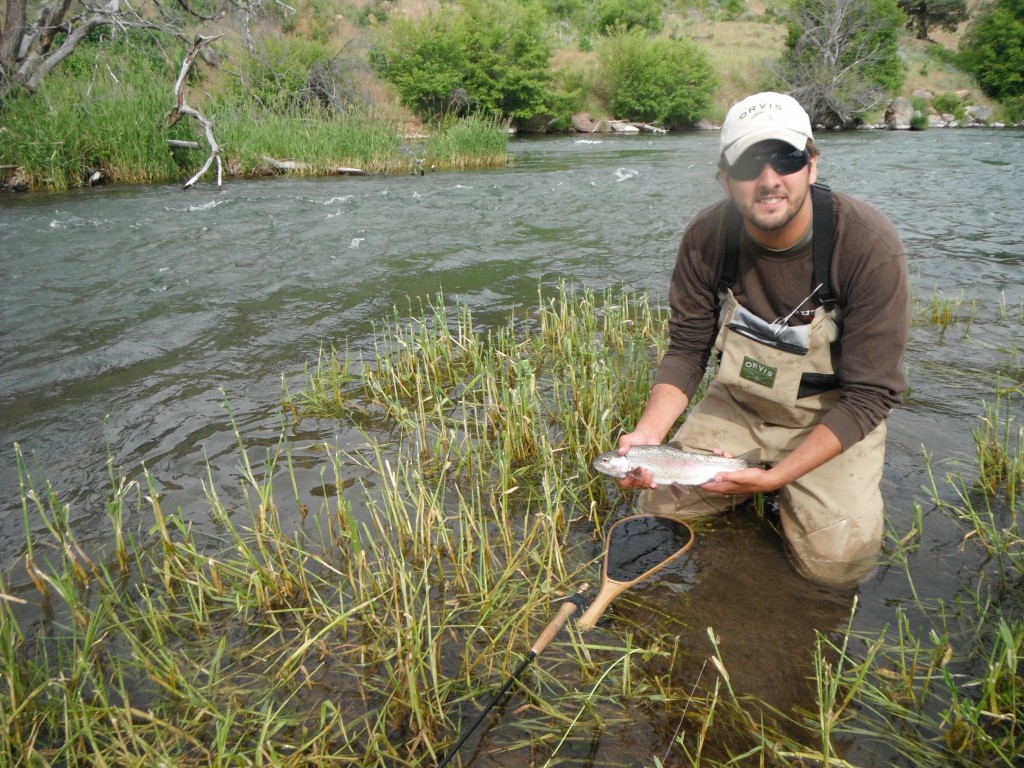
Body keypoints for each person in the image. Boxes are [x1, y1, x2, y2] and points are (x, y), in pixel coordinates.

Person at [617, 92, 910, 589]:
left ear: (812, 166)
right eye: (751, 162)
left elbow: (869, 397)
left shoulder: (867, 245)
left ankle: (781, 491)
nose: (770, 178)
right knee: (659, 510)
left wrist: (778, 476)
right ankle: (764, 489)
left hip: (830, 414)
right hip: (740, 403)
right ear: (726, 177)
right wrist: (648, 437)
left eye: (787, 158)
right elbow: (688, 350)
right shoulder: (707, 237)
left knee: (838, 568)